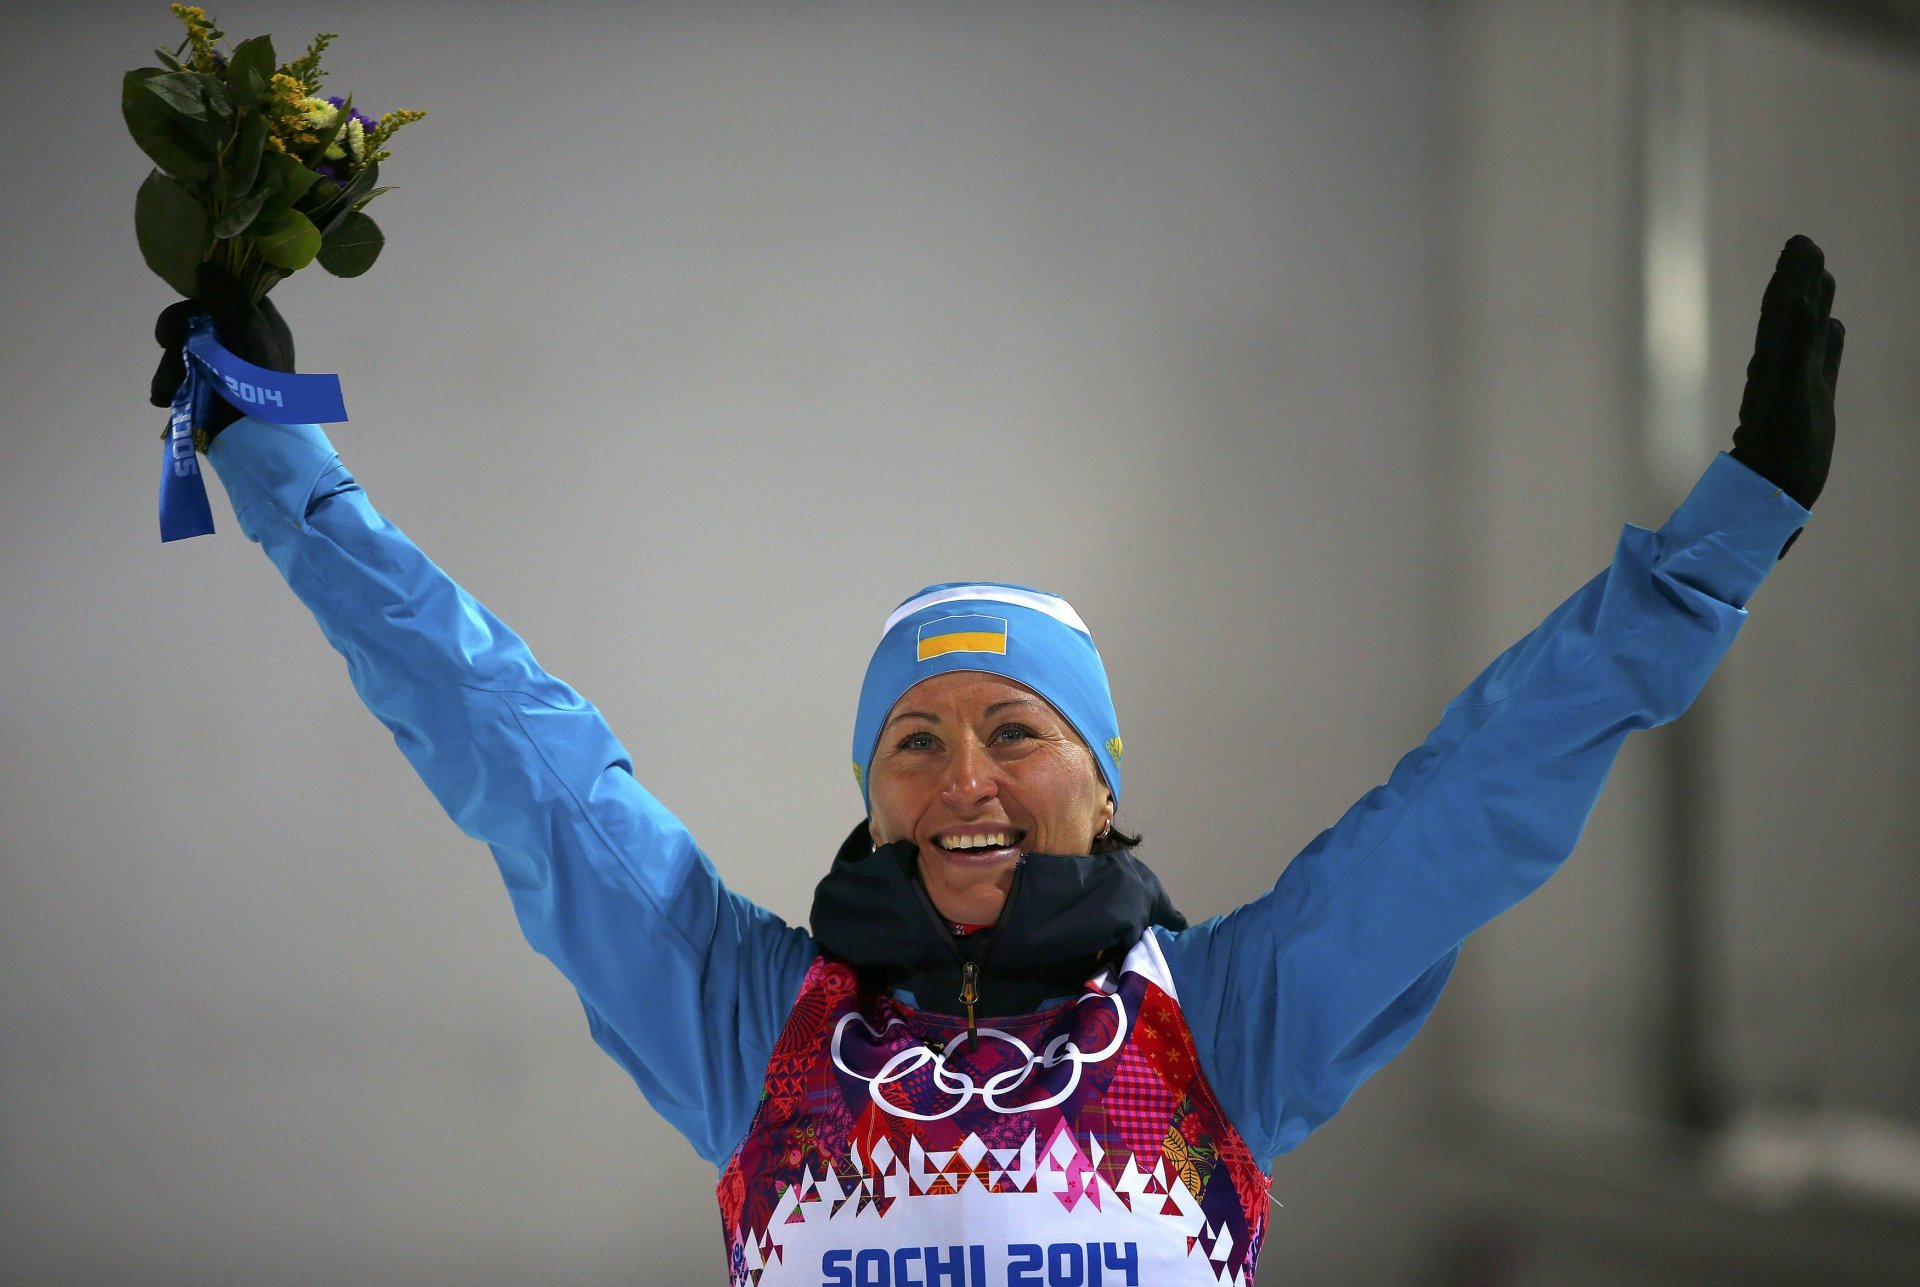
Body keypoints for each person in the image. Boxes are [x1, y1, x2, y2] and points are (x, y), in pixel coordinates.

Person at [148, 235, 1843, 1286]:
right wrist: (286, 471)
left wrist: (1725, 538)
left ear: (1101, 781)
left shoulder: (1226, 1021)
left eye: (1016, 730)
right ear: (869, 796)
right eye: (914, 740)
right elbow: (510, 748)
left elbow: (1486, 788)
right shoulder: (751, 1019)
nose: (962, 774)